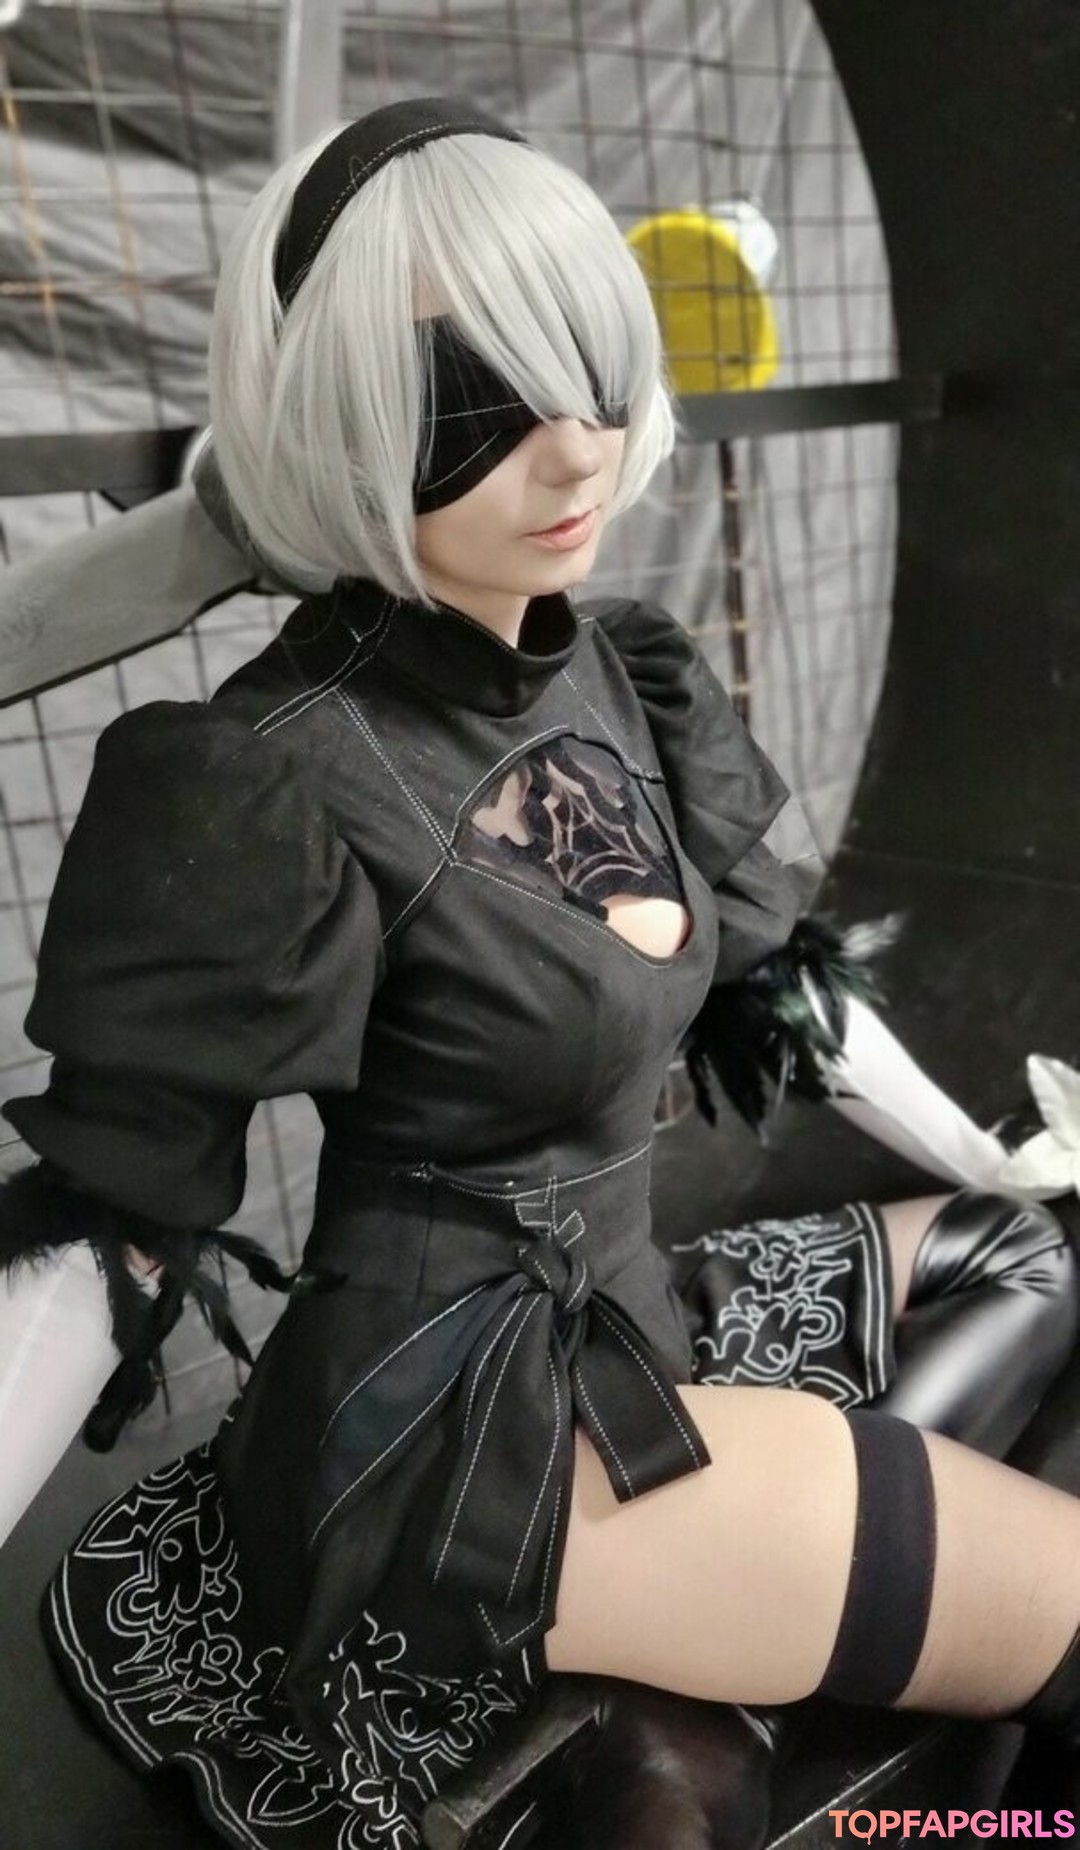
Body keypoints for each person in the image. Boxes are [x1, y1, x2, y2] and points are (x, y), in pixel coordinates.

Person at [1, 95, 1079, 1850]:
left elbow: (774, 994)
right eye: (475, 400)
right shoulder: (269, 772)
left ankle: (694, 1672)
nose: (575, 452)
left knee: (1027, 1248)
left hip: (634, 1304)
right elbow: (108, 1235)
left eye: (594, 369)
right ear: (340, 411)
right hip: (455, 1433)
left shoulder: (622, 670)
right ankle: (753, 1656)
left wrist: (991, 1152)